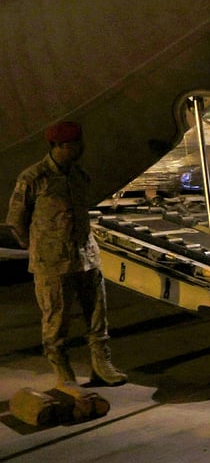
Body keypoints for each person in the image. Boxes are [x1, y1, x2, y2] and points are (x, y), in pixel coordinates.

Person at [6, 121, 127, 387]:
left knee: (97, 313)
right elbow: (15, 220)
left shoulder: (78, 175)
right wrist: (37, 247)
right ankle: (61, 367)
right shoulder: (34, 178)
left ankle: (101, 363)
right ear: (58, 146)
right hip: (52, 263)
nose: (79, 149)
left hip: (86, 257)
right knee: (56, 319)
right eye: (74, 145)